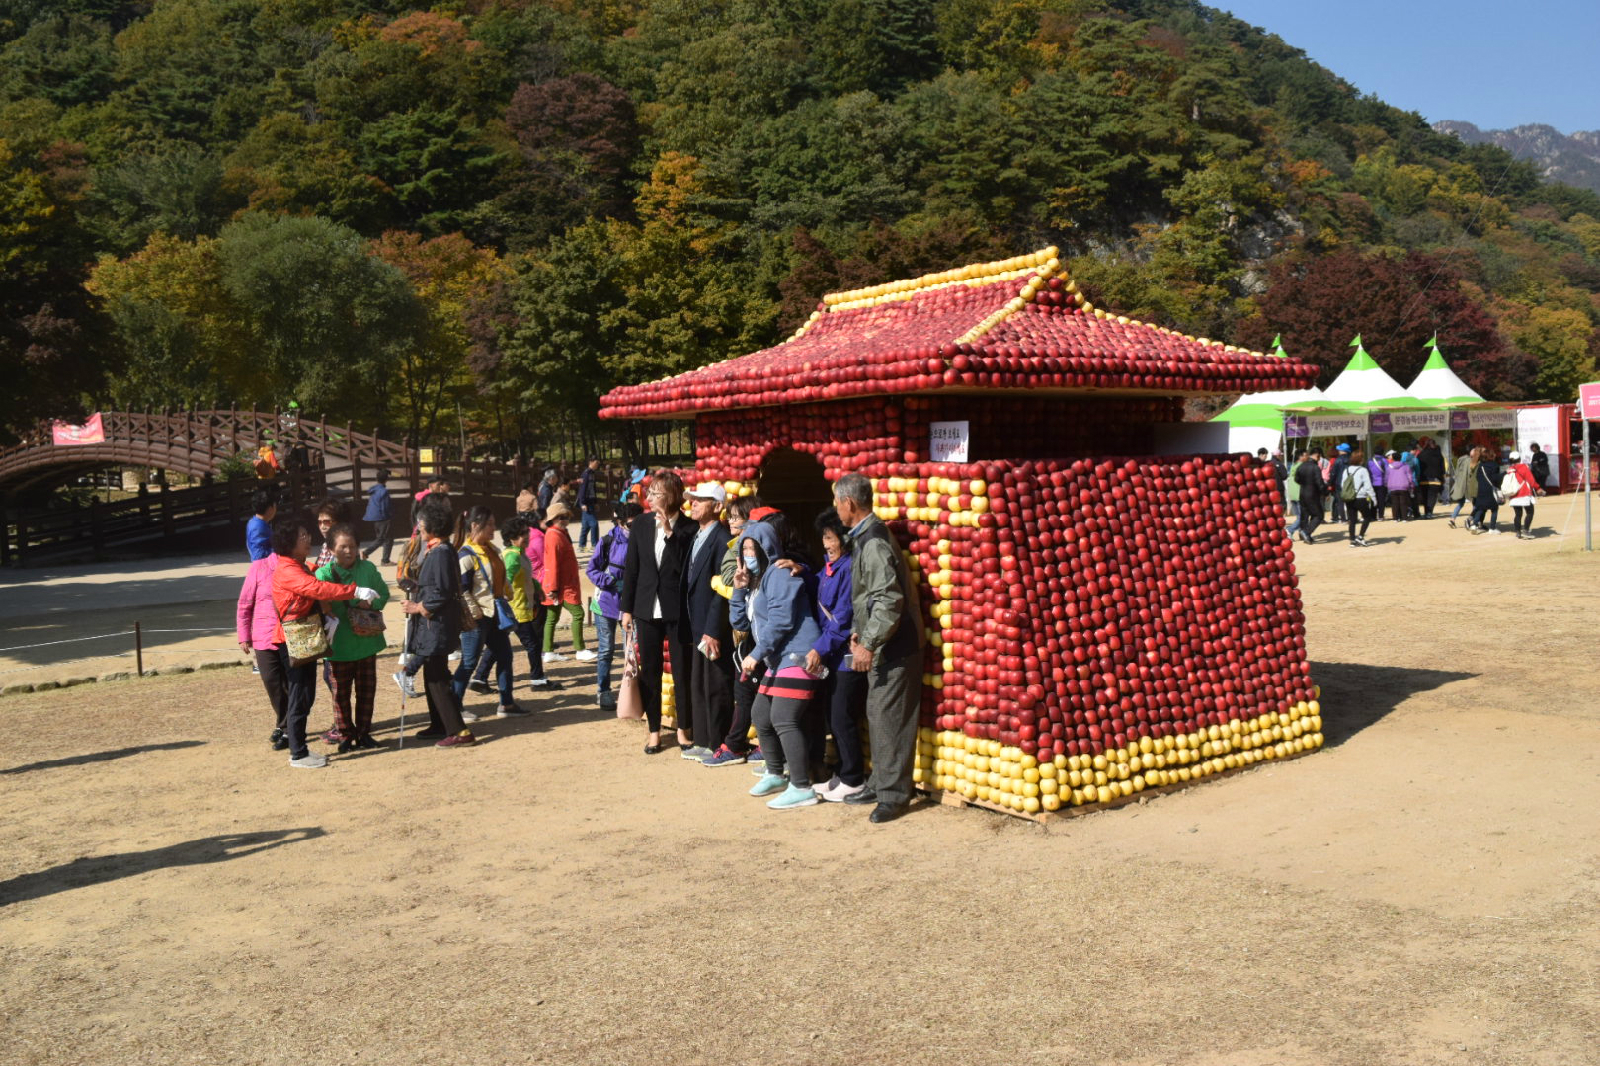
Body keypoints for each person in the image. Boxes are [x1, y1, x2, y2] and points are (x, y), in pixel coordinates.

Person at [833, 472, 924, 824]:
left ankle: (894, 795)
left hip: (895, 644)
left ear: (849, 504)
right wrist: (860, 632)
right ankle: (881, 782)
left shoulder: (872, 541)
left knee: (890, 719)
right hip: (883, 641)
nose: (836, 508)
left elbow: (888, 598)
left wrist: (869, 641)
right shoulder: (865, 537)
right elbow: (869, 596)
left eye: (837, 502)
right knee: (879, 714)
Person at [269, 513, 377, 768]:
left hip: (302, 637)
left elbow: (315, 577)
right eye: (303, 536)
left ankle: (300, 748)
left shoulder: (298, 564)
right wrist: (354, 590)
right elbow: (315, 588)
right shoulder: (288, 570)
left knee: (305, 693)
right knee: (300, 694)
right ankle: (297, 752)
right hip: (292, 639)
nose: (308, 539)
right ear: (289, 541)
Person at [733, 516, 825, 811]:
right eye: (744, 549)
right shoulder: (756, 582)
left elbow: (782, 622)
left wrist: (756, 655)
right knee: (760, 714)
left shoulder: (781, 574)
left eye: (752, 547)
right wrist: (739, 589)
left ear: (766, 547)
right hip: (777, 658)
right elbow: (739, 622)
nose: (748, 554)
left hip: (798, 654)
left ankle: (801, 786)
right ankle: (775, 773)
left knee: (784, 718)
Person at [619, 471, 697, 755]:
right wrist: (626, 608)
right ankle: (654, 731)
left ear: (672, 496)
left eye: (655, 493)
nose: (649, 498)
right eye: (649, 493)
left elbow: (683, 568)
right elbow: (632, 568)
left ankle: (683, 729)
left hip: (677, 609)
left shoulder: (689, 528)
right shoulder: (640, 523)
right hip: (645, 607)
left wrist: (669, 534)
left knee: (681, 669)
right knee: (649, 670)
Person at [400, 499, 477, 747]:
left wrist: (418, 606)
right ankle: (440, 723)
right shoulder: (437, 550)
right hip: (434, 624)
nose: (420, 529)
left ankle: (459, 730)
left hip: (437, 624)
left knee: (437, 678)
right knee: (434, 675)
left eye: (422, 525)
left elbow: (442, 592)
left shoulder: (441, 552)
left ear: (433, 527)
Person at [808, 508, 867, 801]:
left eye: (831, 538)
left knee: (843, 716)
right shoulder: (830, 567)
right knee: (835, 715)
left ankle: (854, 778)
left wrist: (819, 649)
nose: (826, 545)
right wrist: (800, 570)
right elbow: (818, 584)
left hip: (845, 654)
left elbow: (843, 618)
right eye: (824, 538)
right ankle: (844, 773)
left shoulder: (850, 568)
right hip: (833, 655)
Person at [701, 494, 764, 767]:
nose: (732, 522)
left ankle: (740, 744)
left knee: (753, 689)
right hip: (745, 630)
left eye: (738, 518)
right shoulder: (734, 545)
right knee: (748, 690)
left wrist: (719, 583)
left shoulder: (752, 548)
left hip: (759, 633)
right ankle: (741, 742)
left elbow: (730, 578)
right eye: (732, 517)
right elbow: (733, 580)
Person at [316, 523, 390, 751]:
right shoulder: (323, 574)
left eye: (352, 546)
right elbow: (319, 603)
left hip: (367, 642)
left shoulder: (367, 568)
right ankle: (345, 734)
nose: (348, 551)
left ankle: (364, 733)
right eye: (342, 547)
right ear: (330, 549)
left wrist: (372, 602)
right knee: (341, 695)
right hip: (339, 646)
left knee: (367, 691)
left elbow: (384, 594)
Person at [452, 506, 524, 720]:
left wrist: (506, 592)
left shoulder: (491, 549)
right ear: (475, 526)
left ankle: (507, 703)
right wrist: (474, 613)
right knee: (469, 661)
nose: (494, 528)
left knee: (505, 656)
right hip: (477, 618)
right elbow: (461, 589)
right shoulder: (465, 555)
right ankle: (454, 707)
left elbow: (499, 576)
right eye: (490, 524)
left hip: (494, 615)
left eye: (494, 524)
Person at [680, 482, 734, 763]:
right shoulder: (697, 536)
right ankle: (702, 740)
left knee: (716, 684)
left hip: (712, 625)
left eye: (701, 499)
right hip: (695, 621)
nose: (694, 503)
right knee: (699, 682)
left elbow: (723, 591)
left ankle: (718, 741)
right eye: (693, 499)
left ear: (717, 506)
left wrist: (714, 629)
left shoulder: (722, 539)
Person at [587, 501, 642, 710]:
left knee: (631, 649)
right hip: (606, 604)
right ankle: (603, 691)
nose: (633, 529)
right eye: (630, 525)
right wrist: (609, 581)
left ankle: (631, 690)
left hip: (630, 605)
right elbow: (591, 569)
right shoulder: (608, 541)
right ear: (620, 523)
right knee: (606, 650)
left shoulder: (643, 540)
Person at [497, 515, 559, 694]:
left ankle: (479, 678)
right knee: (532, 644)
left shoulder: (519, 554)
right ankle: (537, 679)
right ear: (512, 538)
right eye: (523, 533)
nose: (528, 536)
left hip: (523, 606)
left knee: (496, 646)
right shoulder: (512, 557)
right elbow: (506, 580)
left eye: (527, 532)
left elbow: (526, 577)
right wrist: (505, 599)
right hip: (517, 608)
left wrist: (538, 587)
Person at [236, 549, 288, 749]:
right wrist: (243, 635)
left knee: (291, 684)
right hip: (263, 636)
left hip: (290, 635)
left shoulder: (296, 566)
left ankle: (287, 727)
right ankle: (283, 722)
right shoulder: (259, 567)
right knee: (271, 681)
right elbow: (244, 604)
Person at [541, 503, 591, 662]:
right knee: (578, 613)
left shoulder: (558, 533)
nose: (566, 520)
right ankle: (580, 649)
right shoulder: (554, 535)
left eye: (567, 516)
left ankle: (548, 651)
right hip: (561, 586)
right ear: (554, 519)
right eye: (562, 517)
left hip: (560, 585)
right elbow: (552, 563)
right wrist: (553, 588)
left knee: (551, 618)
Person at [1339, 447, 1377, 547]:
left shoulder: (1346, 470)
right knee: (1367, 517)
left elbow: (1342, 484)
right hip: (1360, 497)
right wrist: (1373, 498)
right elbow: (1368, 486)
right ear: (1360, 459)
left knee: (1352, 520)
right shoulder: (1363, 470)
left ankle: (1352, 540)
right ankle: (1360, 536)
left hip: (1349, 498)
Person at [1503, 451, 1542, 539]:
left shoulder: (1509, 469)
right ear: (1519, 458)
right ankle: (1526, 530)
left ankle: (1518, 531)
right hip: (1524, 494)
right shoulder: (1523, 467)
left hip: (1514, 495)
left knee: (1518, 514)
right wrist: (1538, 488)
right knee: (1530, 512)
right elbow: (1531, 480)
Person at [361, 468, 394, 564]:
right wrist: (390, 516)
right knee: (383, 539)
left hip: (374, 517)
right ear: (386, 479)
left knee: (385, 538)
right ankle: (368, 553)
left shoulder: (374, 490)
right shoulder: (384, 491)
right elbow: (385, 506)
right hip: (383, 517)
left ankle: (384, 559)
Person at [1292, 449, 1325, 544]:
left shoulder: (1301, 466)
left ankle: (1305, 535)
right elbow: (1319, 483)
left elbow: (1296, 479)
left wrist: (1304, 485)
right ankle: (1306, 532)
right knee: (1318, 515)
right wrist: (1325, 492)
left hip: (1302, 492)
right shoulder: (1315, 467)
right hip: (1313, 494)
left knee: (1304, 515)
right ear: (1318, 456)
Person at [1471, 450, 1503, 535]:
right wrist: (1503, 474)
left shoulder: (1480, 465)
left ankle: (1474, 525)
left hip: (1481, 490)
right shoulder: (1494, 465)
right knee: (1494, 509)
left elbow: (1477, 477)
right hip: (1491, 490)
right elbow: (1495, 479)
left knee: (1480, 508)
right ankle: (1492, 528)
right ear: (1491, 456)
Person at [1448, 447, 1479, 528]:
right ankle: (1473, 520)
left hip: (1459, 484)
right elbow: (1470, 473)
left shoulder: (1460, 459)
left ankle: (1452, 519)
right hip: (1468, 485)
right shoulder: (1470, 461)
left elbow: (1457, 472)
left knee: (1460, 504)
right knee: (1476, 504)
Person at [577, 457, 601, 552]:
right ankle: (594, 545)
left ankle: (581, 546)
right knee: (594, 524)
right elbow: (582, 489)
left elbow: (593, 489)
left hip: (591, 502)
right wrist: (582, 503)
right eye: (596, 463)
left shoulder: (592, 474)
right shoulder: (586, 474)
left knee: (586, 526)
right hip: (586, 502)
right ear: (590, 462)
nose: (597, 465)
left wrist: (595, 502)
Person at [1416, 439, 1445, 518]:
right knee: (1432, 497)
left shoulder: (1421, 455)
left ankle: (1426, 512)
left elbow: (1417, 467)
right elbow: (1442, 468)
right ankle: (1429, 513)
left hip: (1423, 479)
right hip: (1435, 480)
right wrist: (1442, 479)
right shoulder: (1438, 454)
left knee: (1425, 497)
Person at [1383, 450, 1414, 523]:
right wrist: (1411, 485)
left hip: (1392, 486)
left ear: (1392, 458)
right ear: (1400, 458)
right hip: (1403, 486)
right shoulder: (1406, 466)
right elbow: (1409, 477)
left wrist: (1386, 484)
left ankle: (1395, 518)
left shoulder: (1389, 467)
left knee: (1394, 503)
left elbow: (1386, 477)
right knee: (1403, 503)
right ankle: (1404, 518)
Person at [247, 489, 276, 561]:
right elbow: (259, 554)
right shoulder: (259, 527)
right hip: (263, 568)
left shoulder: (254, 522)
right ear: (270, 509)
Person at [1328, 444, 1351, 523]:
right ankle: (1351, 518)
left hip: (1339, 483)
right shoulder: (1351, 459)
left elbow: (1333, 473)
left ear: (1342, 451)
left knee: (1340, 502)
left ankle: (1343, 519)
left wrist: (1330, 483)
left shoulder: (1338, 460)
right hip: (1349, 483)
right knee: (1350, 501)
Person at [1367, 448, 1388, 520]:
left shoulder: (1369, 461)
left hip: (1372, 482)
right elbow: (1387, 471)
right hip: (1381, 482)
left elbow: (1368, 472)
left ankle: (1373, 516)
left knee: (1373, 499)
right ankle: (1381, 516)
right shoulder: (1384, 460)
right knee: (1381, 500)